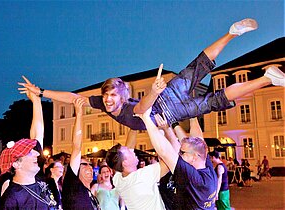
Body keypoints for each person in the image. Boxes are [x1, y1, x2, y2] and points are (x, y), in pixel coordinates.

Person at [19, 18, 284, 131]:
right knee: (215, 101)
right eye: (106, 97)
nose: (108, 101)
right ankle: (267, 78)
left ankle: (232, 33)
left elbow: (142, 111)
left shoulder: (124, 109)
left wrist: (155, 92)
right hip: (171, 114)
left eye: (112, 97)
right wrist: (42, 92)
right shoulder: (103, 104)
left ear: (123, 95)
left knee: (197, 67)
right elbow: (71, 96)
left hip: (162, 106)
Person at [138, 107, 217, 209]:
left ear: (194, 157)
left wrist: (146, 119)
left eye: (182, 152)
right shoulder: (207, 169)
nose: (179, 153)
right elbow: (198, 139)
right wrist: (191, 115)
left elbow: (165, 152)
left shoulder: (194, 178)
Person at [0, 88, 56, 209]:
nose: (36, 153)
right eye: (29, 152)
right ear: (16, 164)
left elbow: (37, 133)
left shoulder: (37, 177)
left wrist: (36, 100)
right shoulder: (12, 197)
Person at [105, 128, 169, 210]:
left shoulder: (118, 179)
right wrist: (166, 130)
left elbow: (129, 146)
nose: (132, 151)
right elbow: (169, 161)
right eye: (128, 151)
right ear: (125, 162)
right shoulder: (142, 176)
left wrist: (134, 126)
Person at [61, 98, 100, 210]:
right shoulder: (72, 185)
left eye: (90, 164)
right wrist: (78, 114)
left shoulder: (90, 193)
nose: (89, 167)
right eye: (84, 164)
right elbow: (77, 147)